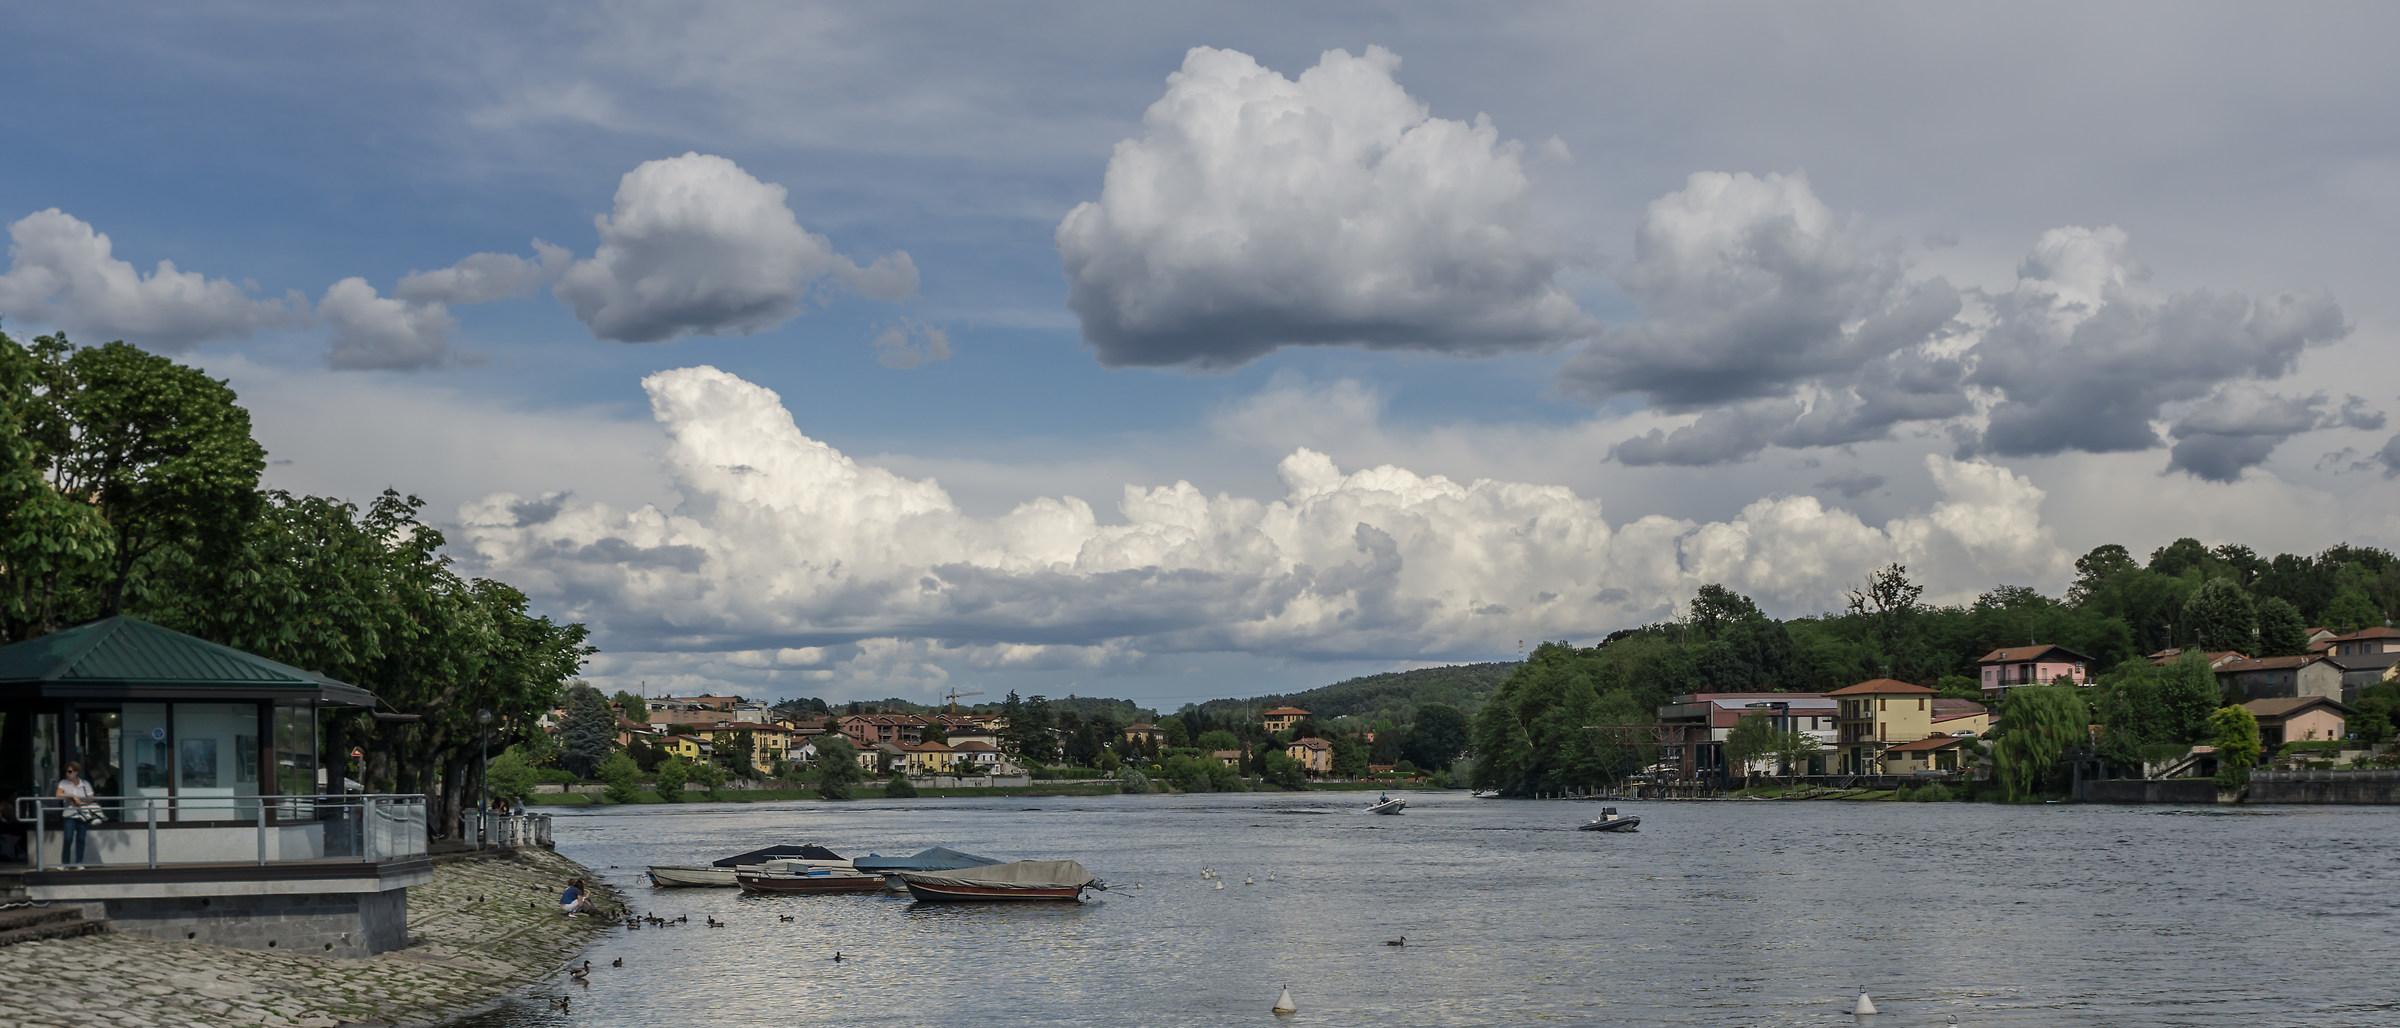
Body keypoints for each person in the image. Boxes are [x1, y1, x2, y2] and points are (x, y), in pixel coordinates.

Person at [55, 762, 97, 869]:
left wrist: (81, 802)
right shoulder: (63, 783)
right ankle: (65, 863)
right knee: (68, 838)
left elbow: (91, 797)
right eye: (66, 771)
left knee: (81, 838)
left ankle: (79, 862)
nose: (67, 773)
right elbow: (58, 794)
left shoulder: (85, 783)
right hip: (69, 814)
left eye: (69, 771)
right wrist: (72, 796)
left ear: (76, 772)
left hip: (82, 814)